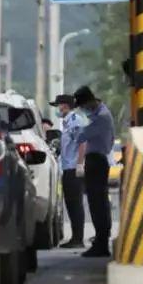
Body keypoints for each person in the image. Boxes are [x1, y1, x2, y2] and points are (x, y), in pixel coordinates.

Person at [74, 85, 115, 258]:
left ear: (89, 102)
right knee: (97, 202)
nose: (82, 109)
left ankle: (101, 243)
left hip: (97, 161)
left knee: (98, 204)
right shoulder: (98, 114)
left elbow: (80, 136)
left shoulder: (101, 118)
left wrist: (79, 128)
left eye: (82, 106)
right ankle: (100, 239)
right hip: (96, 160)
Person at [50, 93, 87, 249]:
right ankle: (75, 237)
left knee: (75, 204)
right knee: (71, 204)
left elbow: (82, 143)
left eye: (58, 106)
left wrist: (80, 164)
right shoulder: (67, 123)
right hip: (68, 168)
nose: (58, 109)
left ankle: (78, 239)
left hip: (73, 169)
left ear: (65, 105)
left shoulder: (74, 121)